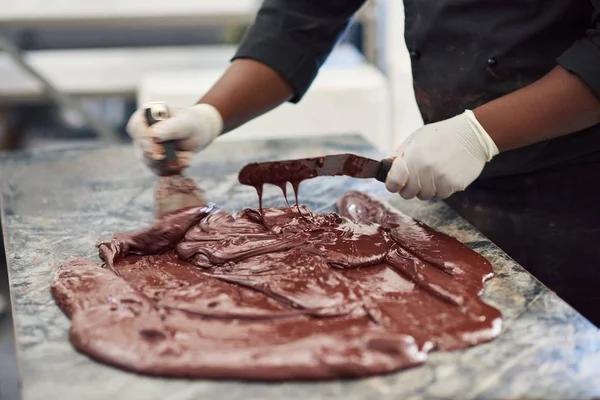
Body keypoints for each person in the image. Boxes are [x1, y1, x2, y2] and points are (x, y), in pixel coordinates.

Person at [126, 0, 600, 326]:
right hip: (459, 194)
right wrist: (211, 115)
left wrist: (482, 133)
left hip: (579, 197)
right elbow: (300, 16)